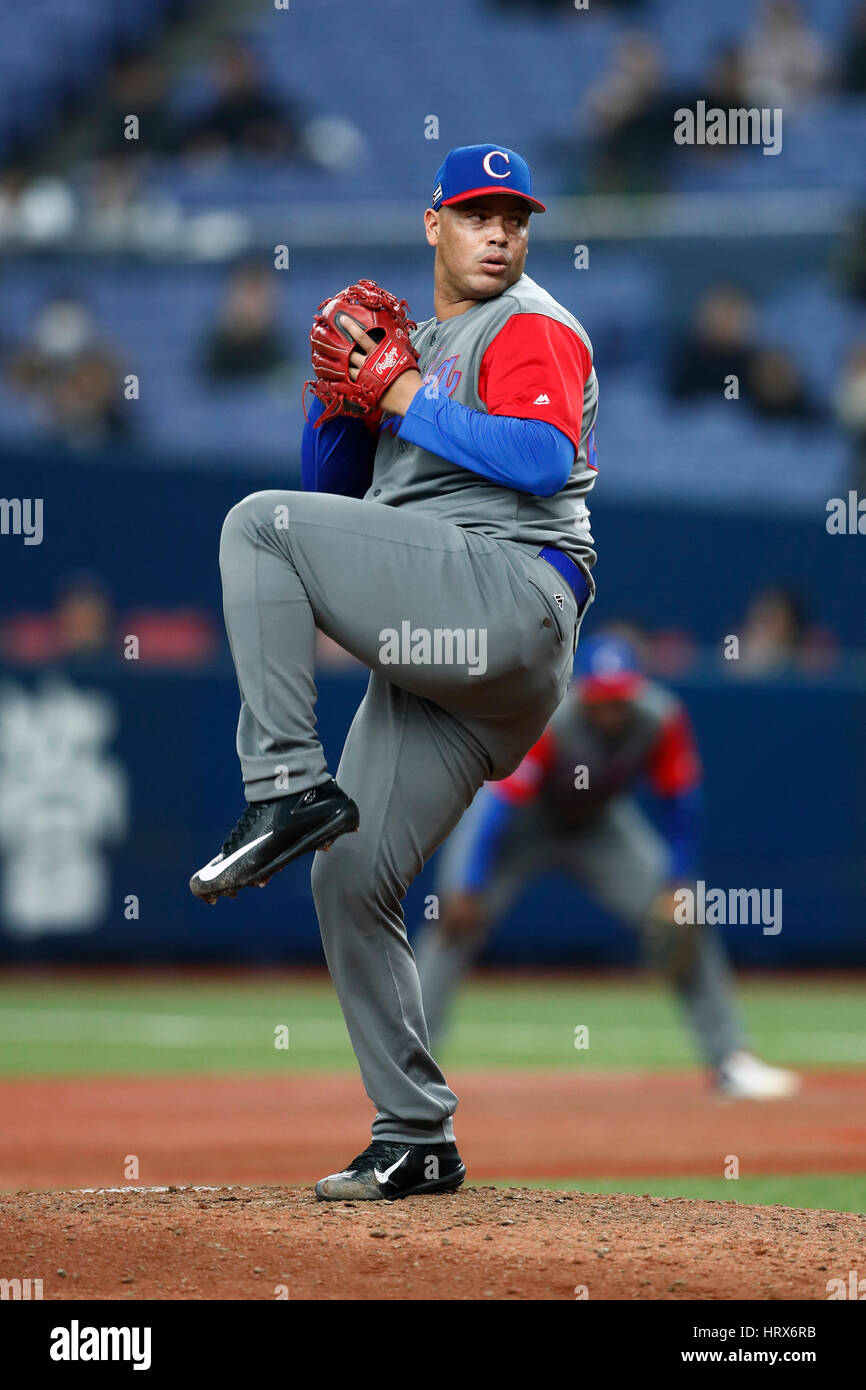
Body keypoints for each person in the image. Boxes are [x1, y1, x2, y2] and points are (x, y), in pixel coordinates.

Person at [188, 143, 599, 1200]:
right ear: (434, 225)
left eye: (512, 215)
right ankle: (415, 1133)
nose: (498, 232)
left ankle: (281, 782)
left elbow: (542, 460)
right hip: (452, 656)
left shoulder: (530, 324)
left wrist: (402, 392)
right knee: (348, 875)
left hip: (507, 593)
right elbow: (332, 488)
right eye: (475, 213)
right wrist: (336, 396)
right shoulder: (410, 345)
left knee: (256, 527)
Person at [414, 635, 800, 1100]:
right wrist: (467, 883)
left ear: (635, 692)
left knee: (684, 919)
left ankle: (730, 1059)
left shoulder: (660, 717)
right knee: (453, 924)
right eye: (602, 700)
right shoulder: (551, 719)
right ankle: (411, 1065)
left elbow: (681, 803)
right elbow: (497, 809)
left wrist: (678, 883)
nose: (612, 711)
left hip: (600, 824)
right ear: (583, 693)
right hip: (525, 824)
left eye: (621, 700)